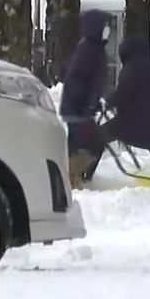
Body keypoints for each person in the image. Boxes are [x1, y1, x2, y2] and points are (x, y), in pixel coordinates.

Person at [59, 10, 112, 188]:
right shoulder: (90, 50)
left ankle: (72, 177)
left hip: (77, 108)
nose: (107, 30)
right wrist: (87, 104)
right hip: (78, 110)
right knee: (94, 144)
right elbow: (77, 80)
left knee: (77, 145)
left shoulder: (91, 49)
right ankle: (71, 177)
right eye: (105, 26)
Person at [104, 34, 150, 159]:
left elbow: (123, 94)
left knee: (97, 138)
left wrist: (107, 103)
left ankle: (84, 173)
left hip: (129, 122)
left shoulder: (130, 68)